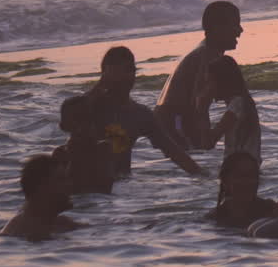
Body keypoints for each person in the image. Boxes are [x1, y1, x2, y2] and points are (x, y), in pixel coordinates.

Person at [63, 47, 203, 178]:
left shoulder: (139, 114)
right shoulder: (89, 107)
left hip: (121, 184)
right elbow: (67, 122)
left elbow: (174, 152)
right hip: (85, 184)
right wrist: (100, 85)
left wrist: (203, 176)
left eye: (130, 70)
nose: (126, 77)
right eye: (118, 72)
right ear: (105, 73)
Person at [155, 1, 243, 149]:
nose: (240, 30)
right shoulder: (207, 56)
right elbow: (199, 106)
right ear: (217, 28)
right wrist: (207, 140)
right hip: (174, 124)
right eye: (235, 24)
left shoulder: (205, 51)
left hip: (168, 122)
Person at [0, 154, 82, 242]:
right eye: (61, 180)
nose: (70, 185)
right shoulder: (22, 230)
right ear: (41, 187)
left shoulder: (61, 223)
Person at [202, 55, 261, 162]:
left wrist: (202, 107)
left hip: (239, 169)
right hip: (248, 167)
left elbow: (208, 143)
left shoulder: (237, 105)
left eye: (210, 82)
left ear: (222, 81)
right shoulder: (244, 102)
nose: (207, 87)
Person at [52, 95, 115, 194]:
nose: (82, 125)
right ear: (64, 126)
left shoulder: (103, 149)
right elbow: (59, 190)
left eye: (87, 118)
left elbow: (106, 186)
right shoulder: (61, 154)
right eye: (77, 119)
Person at [206, 150, 275, 228]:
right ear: (225, 181)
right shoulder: (215, 218)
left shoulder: (270, 209)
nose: (249, 182)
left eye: (253, 176)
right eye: (242, 176)